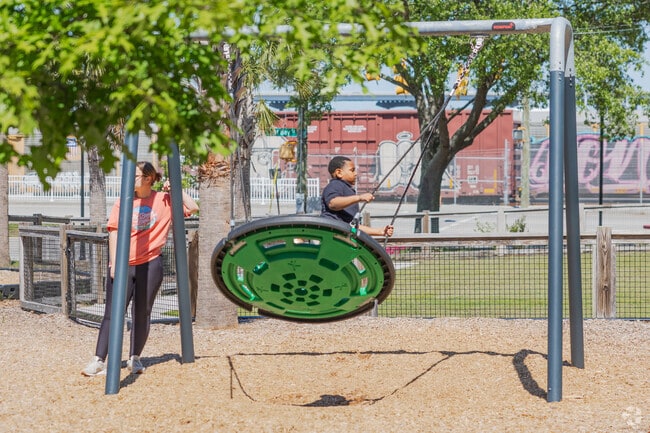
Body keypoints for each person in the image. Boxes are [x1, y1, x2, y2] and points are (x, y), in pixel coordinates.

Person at [82, 162, 199, 376]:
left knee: (142, 313)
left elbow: (192, 208)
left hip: (151, 263)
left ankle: (134, 358)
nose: (128, 179)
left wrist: (176, 189)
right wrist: (115, 264)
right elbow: (114, 232)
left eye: (134, 175)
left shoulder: (164, 200)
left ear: (147, 178)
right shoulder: (124, 202)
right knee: (112, 312)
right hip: (125, 263)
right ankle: (99, 359)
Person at [321, 156, 394, 237]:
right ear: (339, 173)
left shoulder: (347, 189)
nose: (355, 173)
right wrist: (359, 198)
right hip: (331, 234)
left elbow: (353, 227)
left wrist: (380, 231)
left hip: (340, 234)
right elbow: (333, 203)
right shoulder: (335, 185)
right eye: (352, 170)